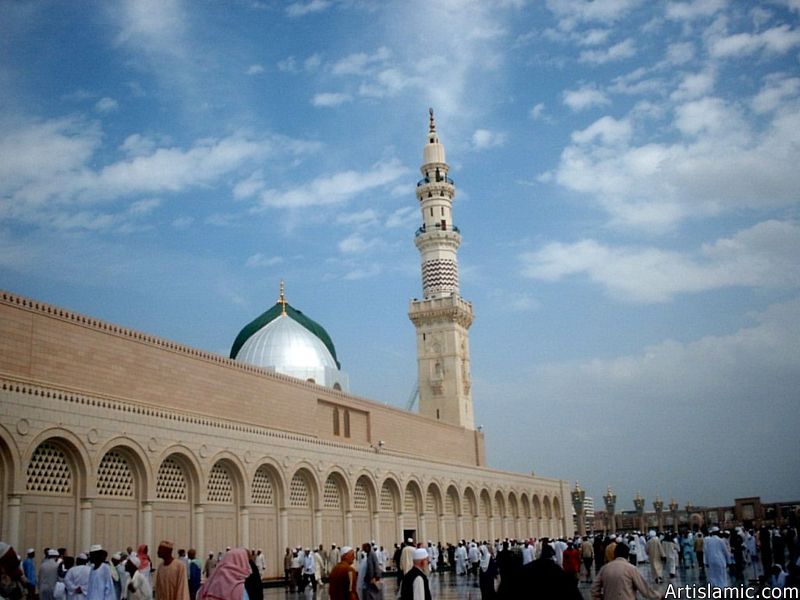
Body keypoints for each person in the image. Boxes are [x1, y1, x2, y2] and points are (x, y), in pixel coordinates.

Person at [591, 542, 661, 600]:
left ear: (615, 554)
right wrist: (658, 596)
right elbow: (644, 590)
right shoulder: (631, 568)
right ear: (627, 555)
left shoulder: (604, 569)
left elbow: (594, 589)